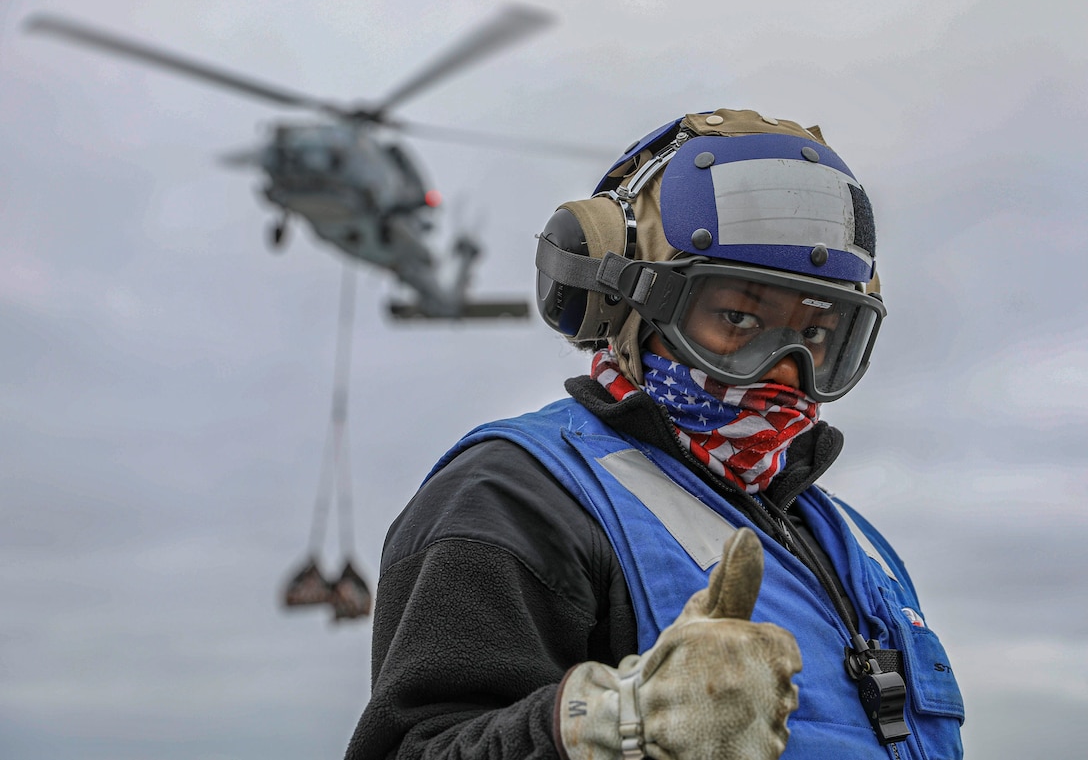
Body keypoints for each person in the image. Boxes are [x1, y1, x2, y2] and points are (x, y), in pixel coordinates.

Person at [345, 108, 965, 760]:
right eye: (738, 318)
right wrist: (612, 725)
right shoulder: (512, 498)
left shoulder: (860, 549)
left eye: (816, 334)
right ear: (627, 303)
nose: (786, 369)